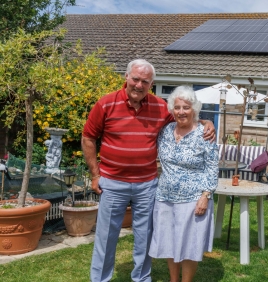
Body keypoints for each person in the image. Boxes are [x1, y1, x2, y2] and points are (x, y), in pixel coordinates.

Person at [81, 59, 215, 282]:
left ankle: (142, 278)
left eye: (145, 81)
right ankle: (100, 279)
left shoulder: (160, 107)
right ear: (126, 77)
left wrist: (205, 121)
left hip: (147, 185)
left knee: (144, 237)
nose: (139, 85)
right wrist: (95, 174)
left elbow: (184, 117)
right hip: (113, 183)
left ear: (151, 83)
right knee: (106, 237)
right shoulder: (105, 104)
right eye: (135, 79)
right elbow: (88, 137)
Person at [149, 85, 218, 282]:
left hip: (193, 199)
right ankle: (173, 279)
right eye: (177, 107)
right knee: (170, 242)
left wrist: (206, 196)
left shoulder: (205, 135)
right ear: (172, 110)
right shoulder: (165, 131)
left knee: (189, 245)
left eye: (186, 107)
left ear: (194, 109)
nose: (181, 112)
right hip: (165, 197)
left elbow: (212, 168)